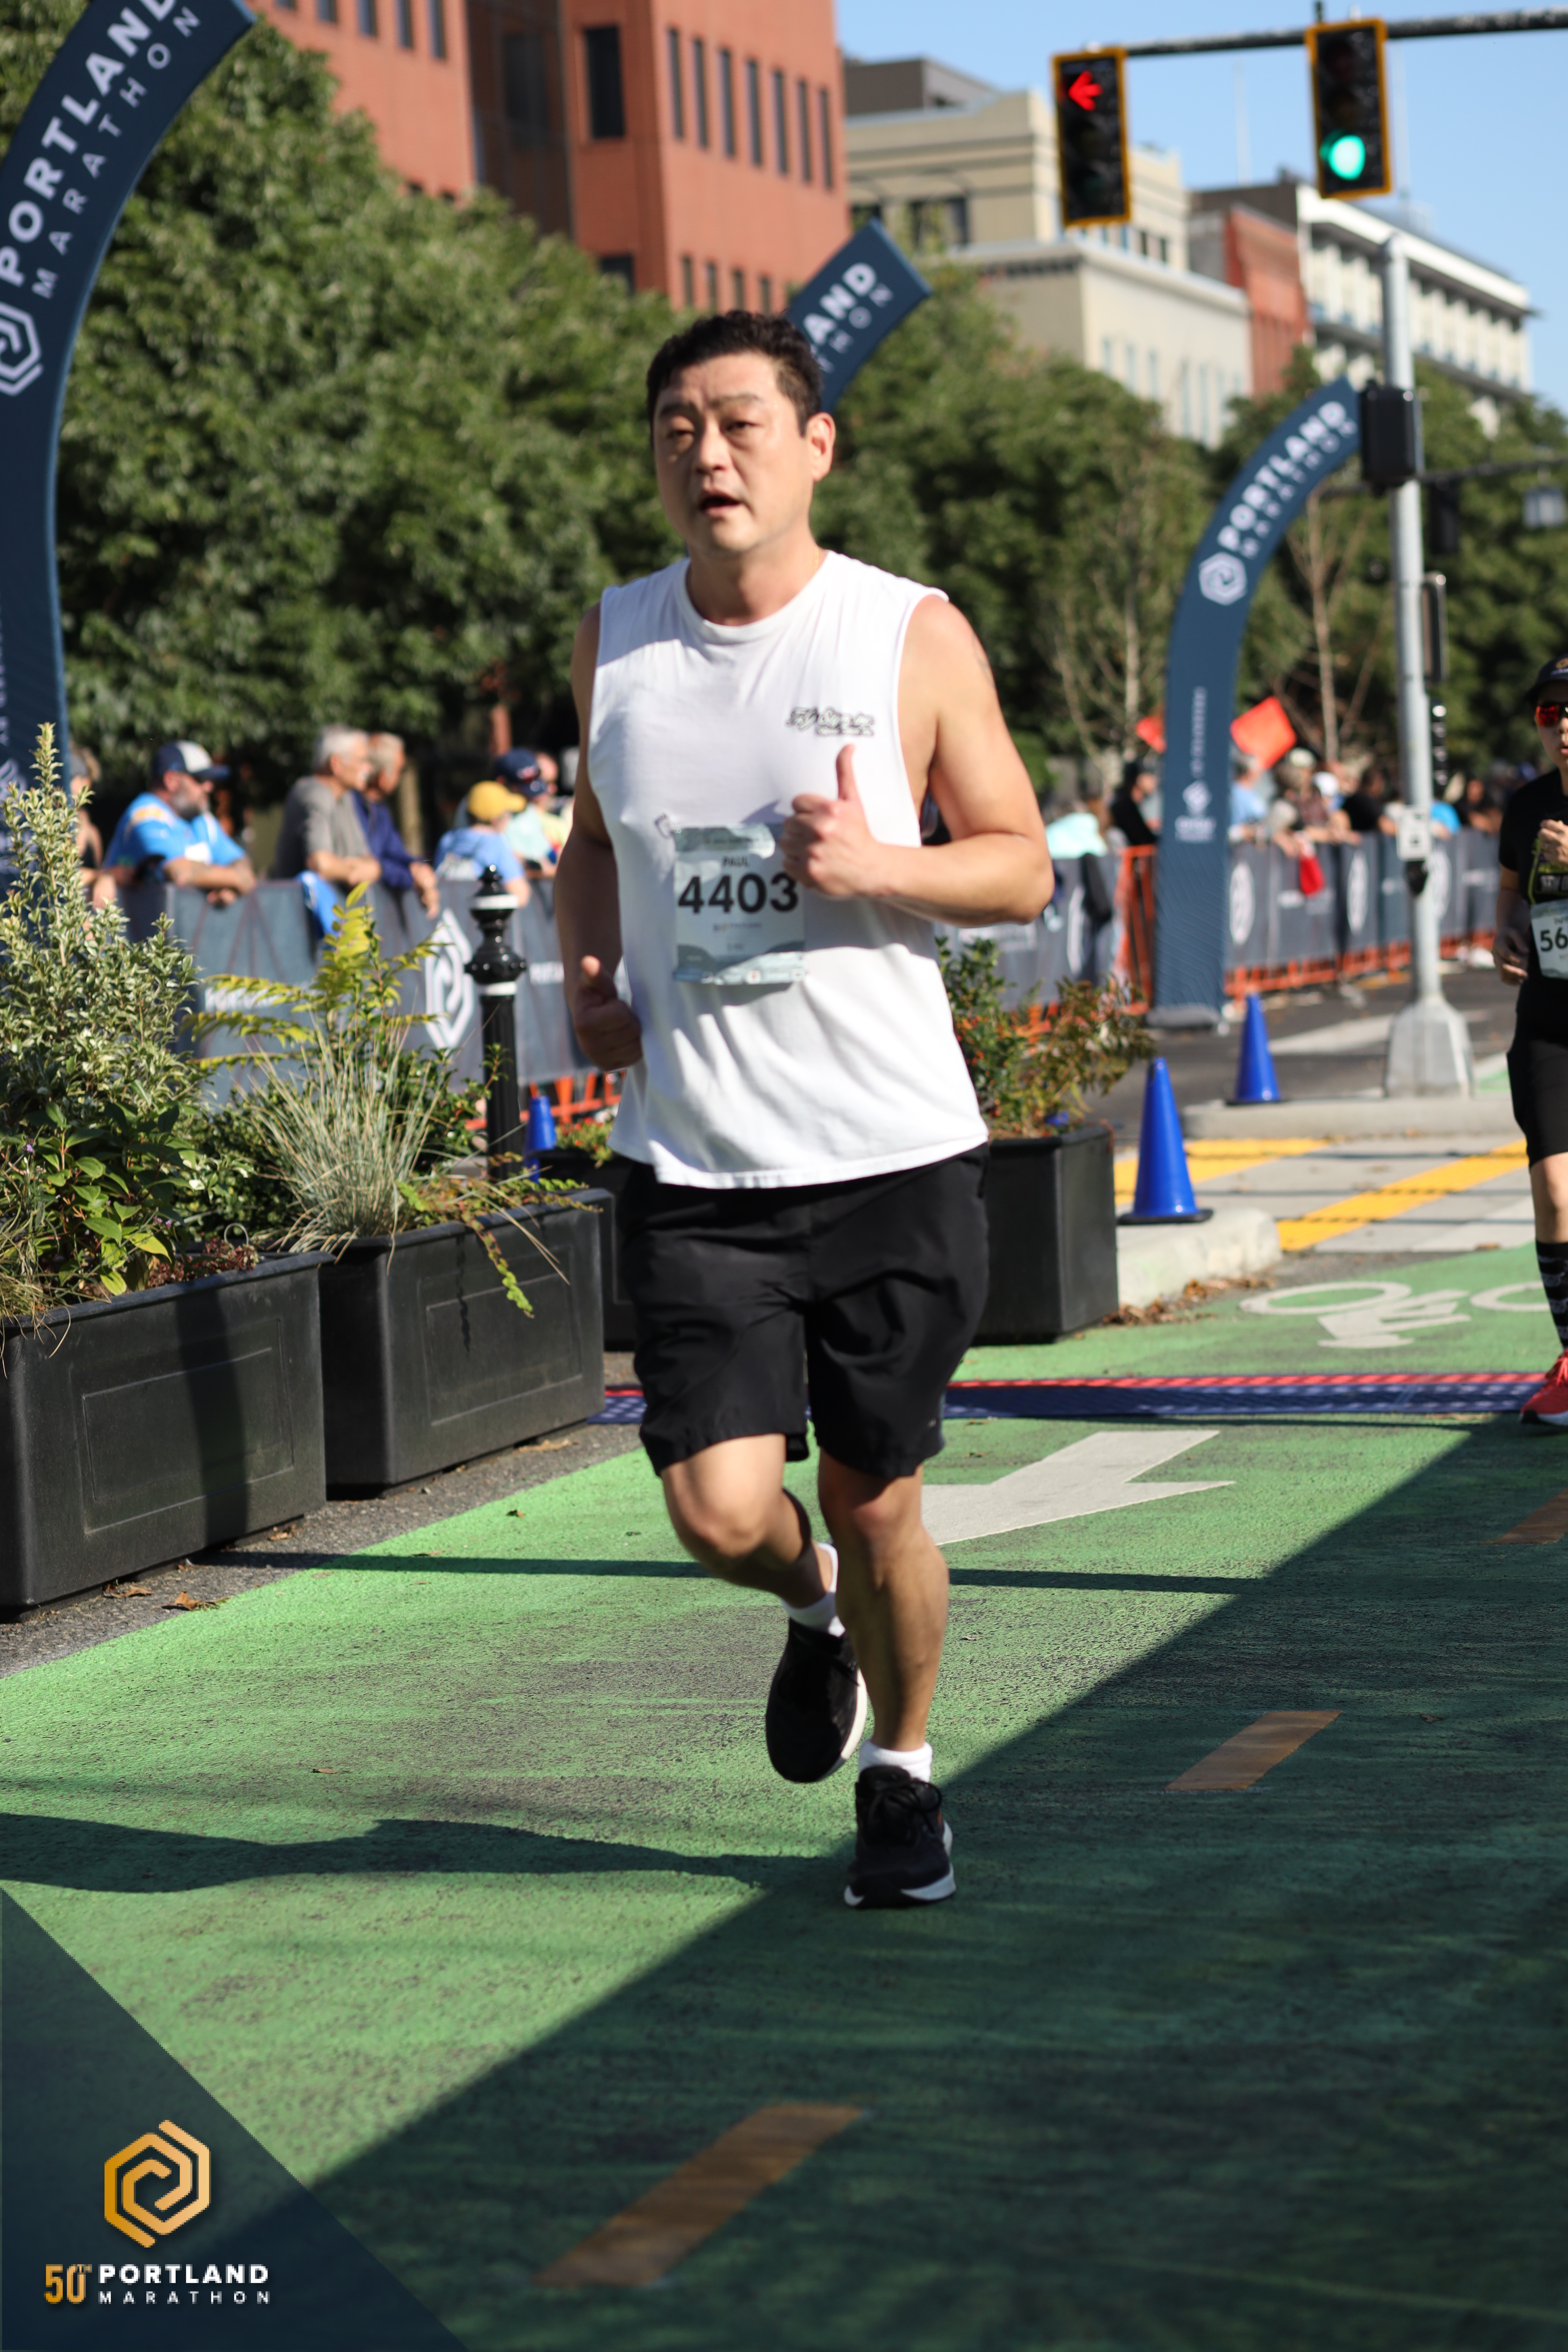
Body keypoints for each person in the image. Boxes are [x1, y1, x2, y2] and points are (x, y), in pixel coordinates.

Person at [553, 309, 1053, 1909]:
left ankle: (903, 1774)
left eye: (740, 424)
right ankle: (808, 1607)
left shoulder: (907, 634)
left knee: (878, 1491)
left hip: (892, 1158)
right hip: (697, 1164)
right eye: (677, 430)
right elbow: (590, 840)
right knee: (717, 1510)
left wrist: (882, 866)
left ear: (815, 445)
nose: (707, 455)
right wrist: (590, 972)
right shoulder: (615, 639)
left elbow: (1021, 867)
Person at [1492, 657, 1568, 1426]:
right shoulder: (1527, 806)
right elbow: (1511, 895)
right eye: (1550, 713)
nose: (1563, 726)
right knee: (1554, 1193)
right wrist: (1504, 937)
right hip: (1548, 1020)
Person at [94, 742, 256, 908]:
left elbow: (240, 861)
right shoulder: (145, 816)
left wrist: (230, 888)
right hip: (128, 924)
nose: (209, 787)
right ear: (171, 780)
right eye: (200, 780)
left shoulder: (201, 820)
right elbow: (179, 872)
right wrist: (237, 880)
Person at [271, 726, 380, 890]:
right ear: (336, 764)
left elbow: (372, 864)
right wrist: (354, 872)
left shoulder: (346, 797)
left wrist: (356, 870)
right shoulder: (315, 793)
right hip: (298, 904)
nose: (368, 769)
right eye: (361, 761)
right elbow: (320, 863)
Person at [357, 734, 440, 915]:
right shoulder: (352, 806)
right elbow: (370, 862)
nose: (400, 776)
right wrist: (411, 876)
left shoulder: (379, 809)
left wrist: (420, 868)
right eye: (400, 770)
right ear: (382, 776)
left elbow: (396, 854)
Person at [433, 781, 531, 904]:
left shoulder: (448, 839)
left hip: (449, 912)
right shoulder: (496, 842)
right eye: (508, 813)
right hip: (479, 913)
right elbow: (520, 896)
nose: (509, 818)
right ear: (496, 819)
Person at [495, 747, 569, 872]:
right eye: (523, 784)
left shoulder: (529, 809)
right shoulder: (494, 812)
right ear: (503, 783)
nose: (529, 796)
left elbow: (545, 849)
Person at [1109, 763, 1158, 849]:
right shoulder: (1124, 806)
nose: (1154, 780)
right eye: (1149, 776)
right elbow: (1141, 839)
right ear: (1139, 779)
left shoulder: (1144, 802)